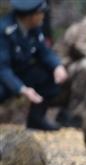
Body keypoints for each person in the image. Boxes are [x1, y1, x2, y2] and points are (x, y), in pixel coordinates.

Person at [0, 0, 68, 131]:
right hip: (4, 78)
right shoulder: (4, 30)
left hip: (21, 72)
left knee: (49, 77)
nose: (43, 15)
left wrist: (57, 66)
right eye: (40, 13)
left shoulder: (34, 28)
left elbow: (44, 52)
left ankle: (36, 120)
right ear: (30, 16)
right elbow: (2, 68)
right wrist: (22, 89)